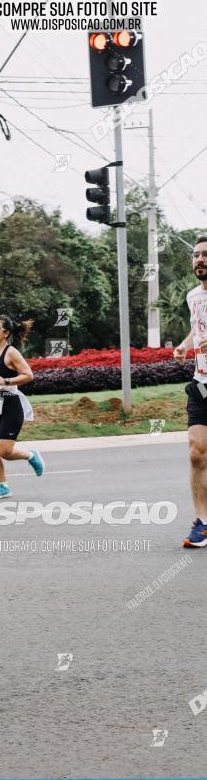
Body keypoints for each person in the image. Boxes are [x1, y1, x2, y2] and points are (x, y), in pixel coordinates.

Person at [0, 314, 44, 499]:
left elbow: (28, 375)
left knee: (4, 451)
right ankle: (3, 486)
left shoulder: (11, 352)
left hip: (11, 404)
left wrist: (8, 380)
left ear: (6, 333)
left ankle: (31, 455)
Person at [174, 234, 207, 547]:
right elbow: (198, 328)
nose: (200, 259)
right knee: (197, 454)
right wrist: (185, 346)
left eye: (205, 255)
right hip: (201, 384)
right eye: (196, 255)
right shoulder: (193, 297)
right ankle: (204, 522)